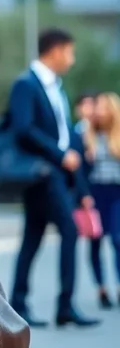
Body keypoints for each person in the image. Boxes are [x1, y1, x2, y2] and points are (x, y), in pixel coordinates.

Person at [6, 27, 100, 328]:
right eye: (70, 53)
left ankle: (18, 305)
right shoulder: (26, 84)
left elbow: (67, 135)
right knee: (69, 231)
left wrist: (81, 185)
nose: (71, 60)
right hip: (42, 173)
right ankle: (64, 306)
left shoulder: (56, 87)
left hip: (57, 173)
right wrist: (60, 156)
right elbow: (23, 128)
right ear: (56, 50)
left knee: (32, 236)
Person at [83, 92, 120, 309]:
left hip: (117, 191)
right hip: (95, 193)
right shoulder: (87, 135)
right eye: (97, 107)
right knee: (95, 241)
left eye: (104, 107)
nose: (99, 111)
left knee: (117, 239)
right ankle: (101, 288)